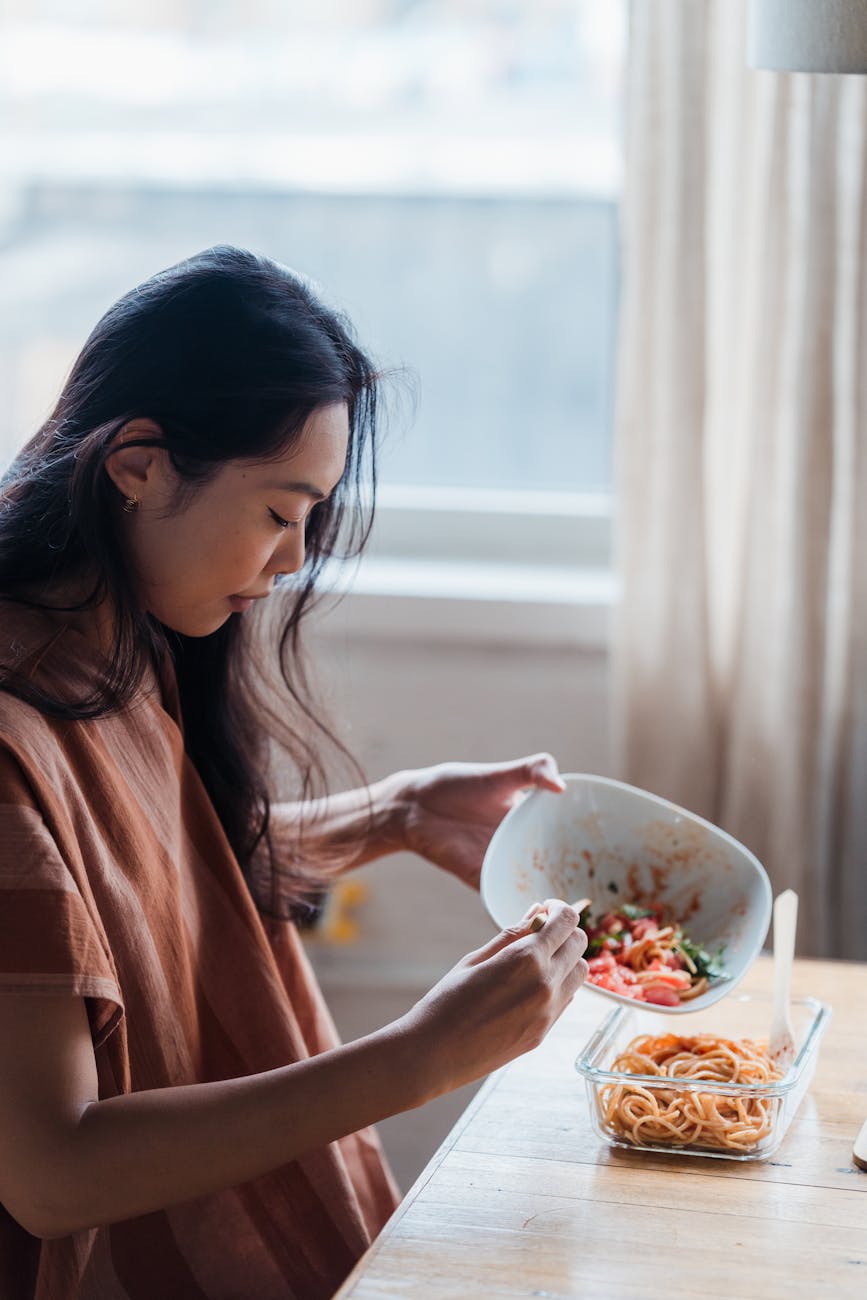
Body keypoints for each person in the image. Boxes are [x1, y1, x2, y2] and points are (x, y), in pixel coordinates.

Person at [0, 246, 588, 1300]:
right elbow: (52, 1170)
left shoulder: (99, 645)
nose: (293, 561)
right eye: (282, 512)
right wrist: (416, 1058)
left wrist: (400, 810)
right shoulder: (14, 727)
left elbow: (149, 890)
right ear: (138, 461)